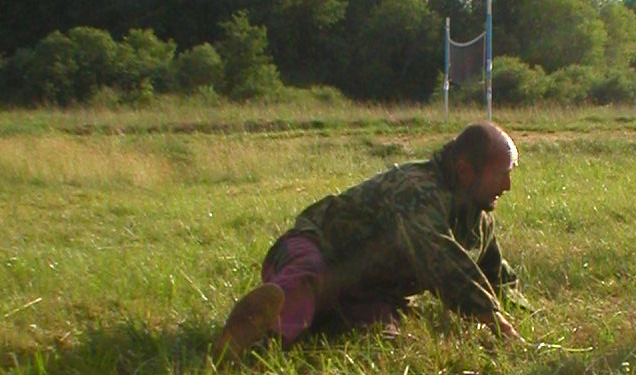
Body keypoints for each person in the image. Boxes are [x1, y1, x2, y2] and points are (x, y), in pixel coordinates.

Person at [214, 121, 522, 358]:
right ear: (466, 171)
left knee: (382, 333)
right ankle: (254, 334)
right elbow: (442, 261)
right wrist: (500, 325)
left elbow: (496, 273)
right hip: (319, 246)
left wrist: (522, 308)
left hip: (368, 289)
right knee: (308, 280)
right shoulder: (416, 190)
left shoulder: (477, 216)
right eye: (501, 174)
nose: (508, 185)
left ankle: (300, 328)